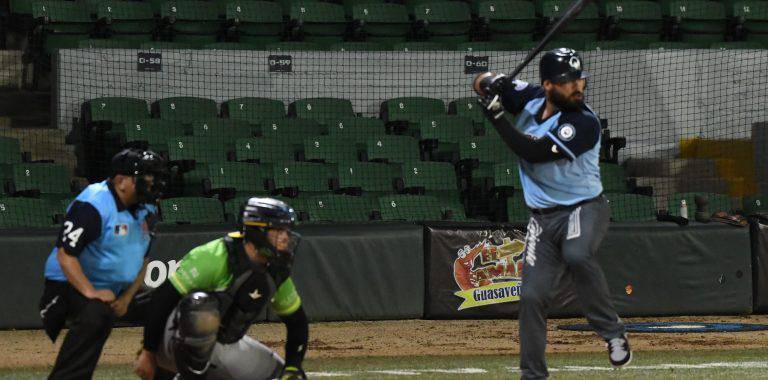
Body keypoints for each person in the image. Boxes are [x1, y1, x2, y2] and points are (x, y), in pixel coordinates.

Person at [473, 48, 631, 379]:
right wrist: (492, 82)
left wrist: (498, 116)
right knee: (531, 297)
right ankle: (533, 375)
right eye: (567, 82)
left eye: (579, 80)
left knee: (576, 254)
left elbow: (532, 151)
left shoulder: (582, 123)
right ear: (547, 85)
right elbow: (480, 80)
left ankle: (613, 332)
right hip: (543, 219)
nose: (577, 87)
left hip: (584, 208)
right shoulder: (530, 97)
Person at [133, 197, 309, 380]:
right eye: (278, 230)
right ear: (257, 231)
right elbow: (162, 299)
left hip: (226, 344)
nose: (285, 237)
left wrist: (293, 367)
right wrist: (149, 351)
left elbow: (297, 322)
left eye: (286, 231)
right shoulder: (214, 256)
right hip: (173, 340)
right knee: (201, 310)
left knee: (287, 377)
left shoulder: (276, 270)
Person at [39, 148, 165, 379]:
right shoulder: (93, 203)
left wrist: (127, 298)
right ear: (121, 181)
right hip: (68, 285)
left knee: (170, 305)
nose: (153, 183)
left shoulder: (147, 209)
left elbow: (143, 259)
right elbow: (65, 255)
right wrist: (92, 291)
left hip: (117, 290)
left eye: (154, 177)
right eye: (146, 177)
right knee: (97, 314)